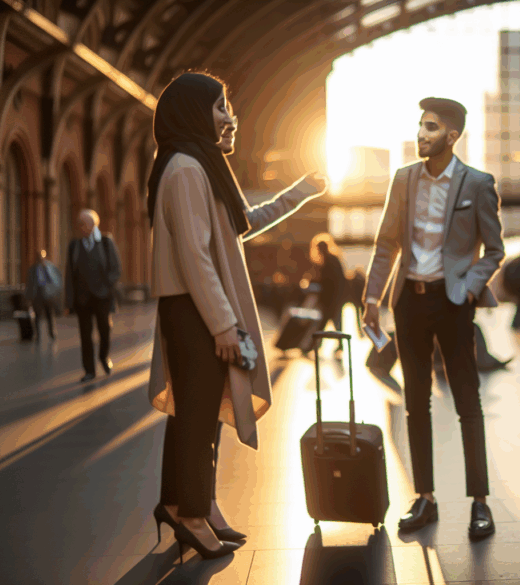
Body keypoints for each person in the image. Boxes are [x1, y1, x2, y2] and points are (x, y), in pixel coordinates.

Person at [144, 72, 328, 562]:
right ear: (193, 113)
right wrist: (224, 325)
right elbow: (195, 254)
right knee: (199, 413)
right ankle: (190, 514)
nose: (231, 118)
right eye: (220, 107)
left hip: (199, 305)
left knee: (195, 410)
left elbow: (242, 223)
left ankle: (184, 504)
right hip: (196, 308)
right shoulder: (186, 169)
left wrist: (300, 192)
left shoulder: (197, 166)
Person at [362, 97, 504, 540]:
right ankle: (425, 497)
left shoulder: (478, 183)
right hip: (410, 302)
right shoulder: (404, 179)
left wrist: (469, 286)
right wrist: (372, 298)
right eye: (421, 125)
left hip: (453, 302)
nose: (421, 134)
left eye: (431, 127)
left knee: (467, 401)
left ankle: (480, 502)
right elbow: (386, 244)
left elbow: (494, 250)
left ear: (452, 135)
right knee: (416, 401)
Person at [65, 209, 122, 382]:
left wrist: (106, 286)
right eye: (79, 224)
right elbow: (69, 275)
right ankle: (89, 370)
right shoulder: (74, 246)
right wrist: (68, 301)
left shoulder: (105, 242)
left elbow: (116, 269)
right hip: (82, 299)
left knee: (105, 331)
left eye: (83, 223)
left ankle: (103, 357)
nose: (80, 227)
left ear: (92, 224)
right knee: (85, 336)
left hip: (103, 298)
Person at [309, 233, 348, 353]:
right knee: (331, 323)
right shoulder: (329, 260)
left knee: (327, 323)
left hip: (333, 300)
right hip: (331, 300)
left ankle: (315, 345)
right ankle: (316, 345)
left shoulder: (330, 261)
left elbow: (332, 282)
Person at [25, 249, 62, 341]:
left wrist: (55, 292)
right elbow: (29, 284)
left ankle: (52, 332)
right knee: (37, 316)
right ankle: (38, 334)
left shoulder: (50, 267)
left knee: (50, 314)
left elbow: (56, 279)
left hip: (48, 294)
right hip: (37, 295)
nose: (41, 259)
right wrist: (28, 297)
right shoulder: (33, 269)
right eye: (39, 257)